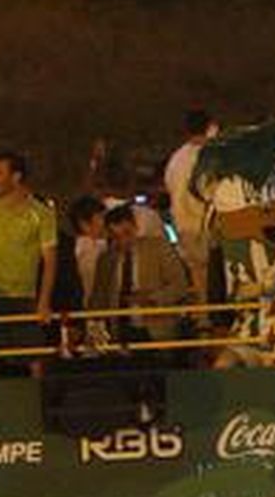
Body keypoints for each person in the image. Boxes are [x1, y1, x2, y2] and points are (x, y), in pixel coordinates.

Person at [0, 151, 58, 376]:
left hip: (24, 295)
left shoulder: (40, 213)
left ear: (16, 176)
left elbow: (50, 260)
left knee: (35, 357)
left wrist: (44, 301)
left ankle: (37, 403)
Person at [86, 203, 191, 345]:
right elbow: (99, 298)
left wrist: (151, 298)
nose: (123, 241)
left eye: (127, 233)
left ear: (135, 227)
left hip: (155, 329)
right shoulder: (106, 259)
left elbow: (180, 285)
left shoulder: (158, 248)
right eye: (116, 236)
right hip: (119, 330)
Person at [163, 107, 218, 304]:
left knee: (199, 279)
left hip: (184, 226)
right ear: (210, 127)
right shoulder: (211, 156)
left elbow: (169, 188)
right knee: (216, 280)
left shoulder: (175, 159)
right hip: (208, 227)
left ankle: (204, 320)